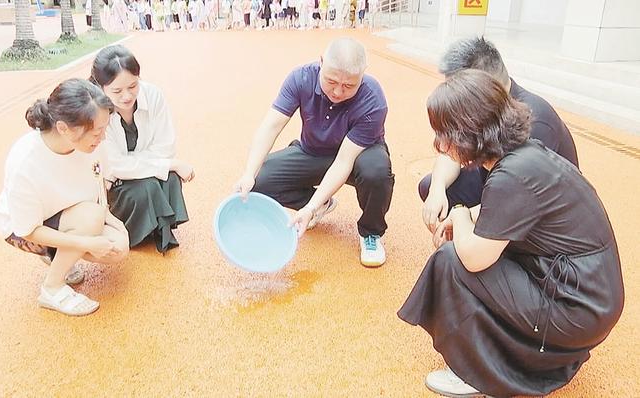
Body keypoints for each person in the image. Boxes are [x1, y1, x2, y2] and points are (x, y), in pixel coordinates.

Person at [398, 69, 624, 397]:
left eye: (444, 134)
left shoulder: (511, 176)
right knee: (469, 250)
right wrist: (467, 220)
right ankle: (520, 357)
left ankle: (479, 373)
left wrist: (461, 216)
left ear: (468, 132)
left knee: (452, 259)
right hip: (588, 296)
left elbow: (474, 258)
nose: (440, 144)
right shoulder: (525, 156)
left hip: (577, 307)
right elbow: (508, 213)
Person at [234, 37, 394, 268]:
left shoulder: (373, 98)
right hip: (313, 151)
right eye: (331, 81)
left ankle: (371, 232)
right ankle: (322, 203)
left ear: (363, 74)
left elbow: (343, 162)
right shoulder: (301, 78)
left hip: (358, 156)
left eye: (349, 85)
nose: (338, 91)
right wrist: (248, 173)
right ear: (321, 62)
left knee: (377, 172)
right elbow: (271, 126)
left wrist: (308, 210)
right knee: (259, 179)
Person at [0, 79, 130, 317]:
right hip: (26, 227)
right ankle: (52, 288)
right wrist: (86, 243)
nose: (103, 138)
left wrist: (114, 223)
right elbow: (27, 230)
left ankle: (59, 254)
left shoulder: (94, 145)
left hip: (71, 214)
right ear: (64, 128)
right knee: (90, 220)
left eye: (104, 129)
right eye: (97, 131)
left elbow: (100, 185)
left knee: (118, 248)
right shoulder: (25, 161)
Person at [419, 37, 579, 234]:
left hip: (538, 209)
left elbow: (519, 196)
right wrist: (437, 188)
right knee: (431, 186)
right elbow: (453, 148)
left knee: (460, 251)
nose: (453, 97)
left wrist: (462, 218)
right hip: (497, 180)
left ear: (483, 86)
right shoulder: (485, 108)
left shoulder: (537, 122)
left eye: (459, 90)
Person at [90, 45, 194, 254]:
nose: (127, 96)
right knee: (149, 184)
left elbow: (165, 146)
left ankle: (156, 227)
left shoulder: (153, 95)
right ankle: (135, 231)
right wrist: (167, 165)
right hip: (117, 183)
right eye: (116, 91)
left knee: (169, 178)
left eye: (133, 86)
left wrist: (140, 164)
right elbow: (114, 165)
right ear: (101, 88)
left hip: (132, 172)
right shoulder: (96, 110)